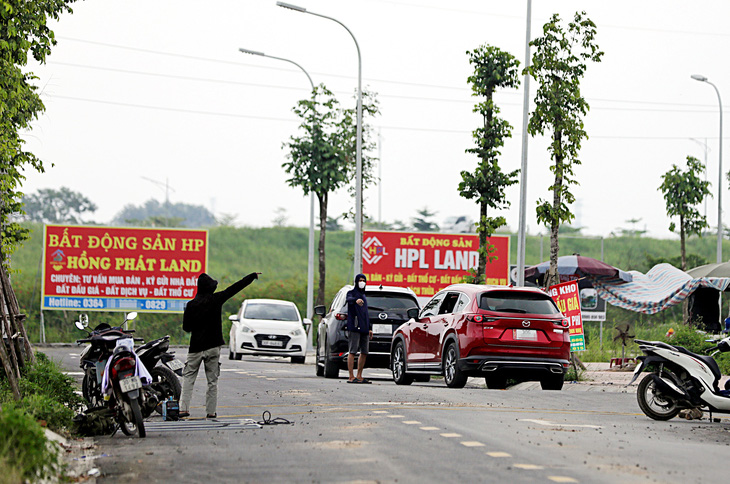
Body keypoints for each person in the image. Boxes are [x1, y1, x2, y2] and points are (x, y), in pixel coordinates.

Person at [179, 271, 260, 418]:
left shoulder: (191, 305)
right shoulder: (217, 299)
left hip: (195, 348)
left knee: (188, 379)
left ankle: (183, 409)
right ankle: (211, 412)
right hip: (213, 347)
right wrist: (251, 276)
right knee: (212, 382)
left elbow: (187, 328)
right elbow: (235, 288)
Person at [346, 274, 372, 384]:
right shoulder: (351, 293)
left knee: (364, 351)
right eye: (360, 280)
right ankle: (351, 376)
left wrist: (369, 328)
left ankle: (359, 375)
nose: (362, 282)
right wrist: (356, 300)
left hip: (364, 327)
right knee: (352, 351)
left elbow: (366, 313)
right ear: (356, 281)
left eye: (364, 280)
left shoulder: (364, 295)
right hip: (355, 326)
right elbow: (349, 299)